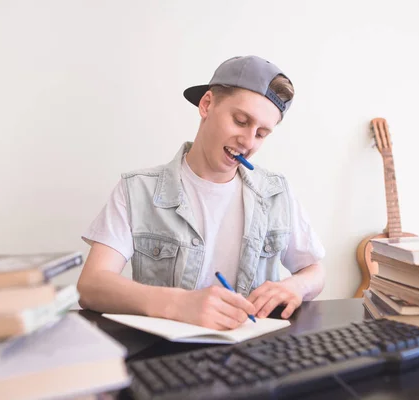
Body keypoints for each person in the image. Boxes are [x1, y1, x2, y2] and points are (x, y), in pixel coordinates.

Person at [77, 55, 325, 330]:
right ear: (206, 104)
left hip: (256, 355)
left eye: (262, 134)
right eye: (241, 121)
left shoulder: (278, 193)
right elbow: (90, 286)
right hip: (162, 361)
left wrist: (297, 286)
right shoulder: (137, 190)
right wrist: (177, 304)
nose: (248, 142)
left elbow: (315, 271)